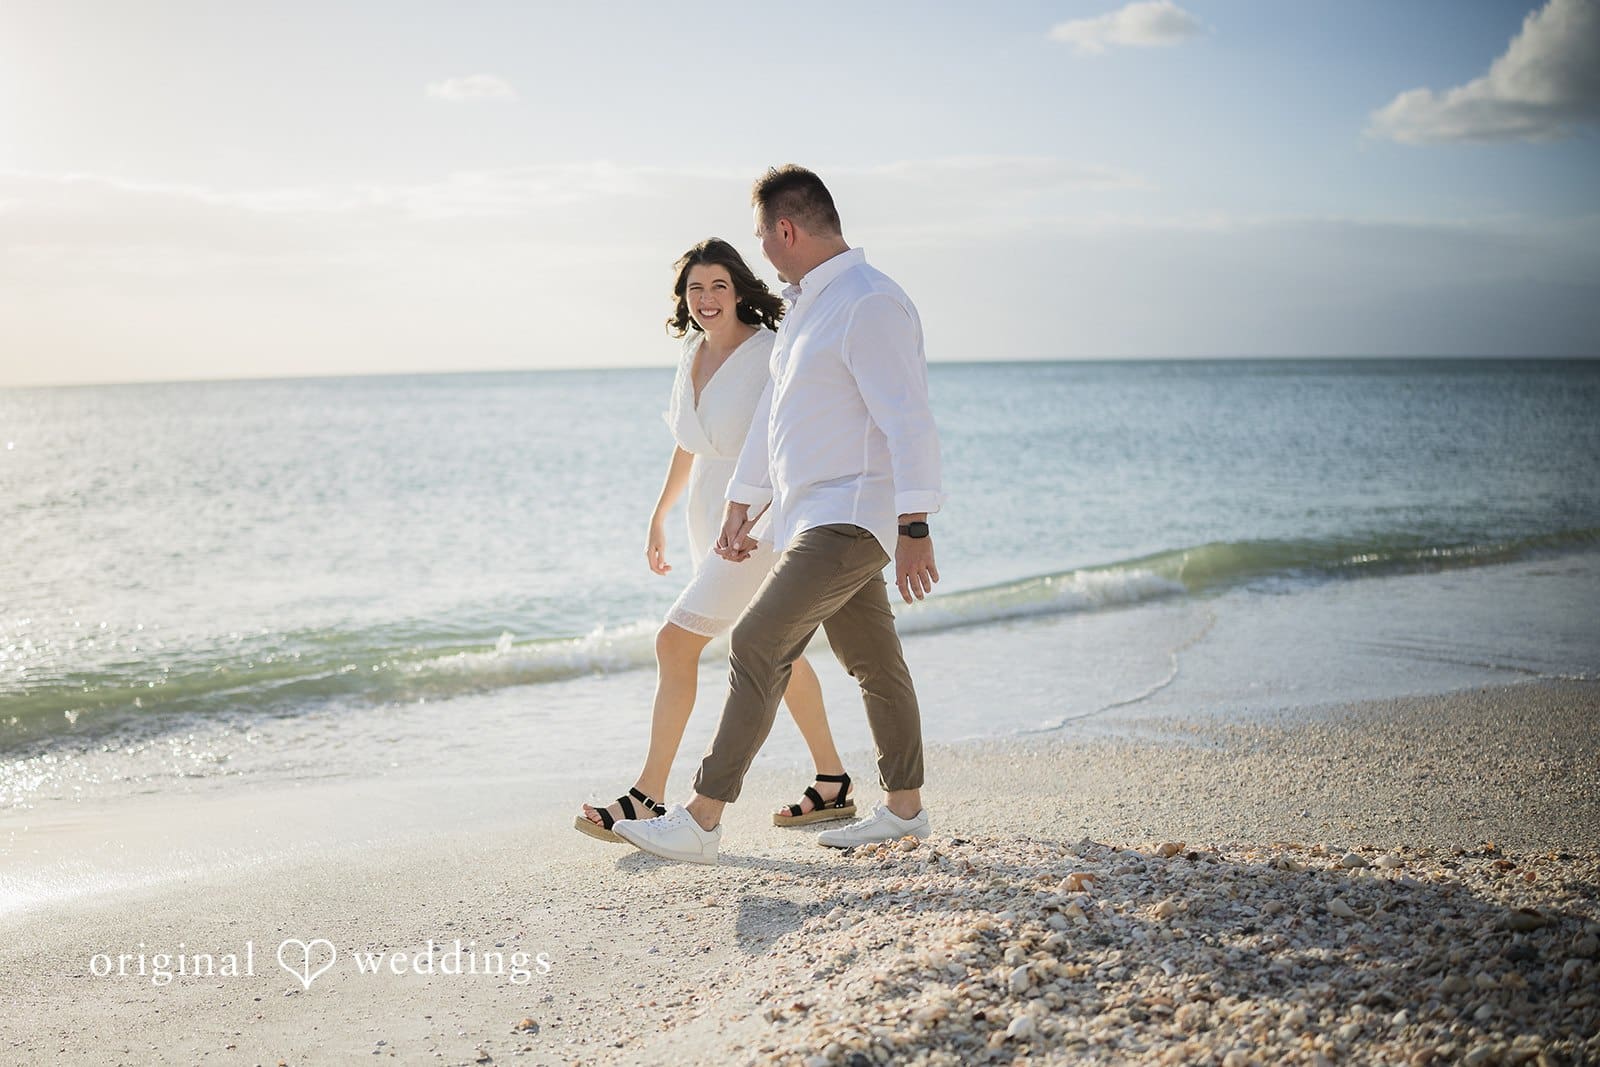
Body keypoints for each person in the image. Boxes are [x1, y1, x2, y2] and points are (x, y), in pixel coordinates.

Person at [615, 165, 944, 865]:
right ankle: (905, 810)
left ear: (784, 229)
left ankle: (702, 817)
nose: (761, 248)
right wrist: (742, 502)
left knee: (758, 640)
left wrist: (914, 525)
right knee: (872, 660)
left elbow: (909, 420)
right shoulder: (806, 310)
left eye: (762, 235)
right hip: (807, 513)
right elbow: (775, 417)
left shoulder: (867, 302)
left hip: (853, 512)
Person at [575, 238, 857, 843]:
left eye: (718, 287)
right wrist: (658, 513)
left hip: (753, 520)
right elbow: (689, 438)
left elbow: (790, 441)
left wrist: (758, 516)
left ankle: (647, 795)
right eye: (695, 289)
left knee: (675, 644)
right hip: (706, 513)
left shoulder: (770, 353)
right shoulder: (693, 351)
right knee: (776, 649)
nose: (706, 300)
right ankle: (832, 781)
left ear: (739, 290)